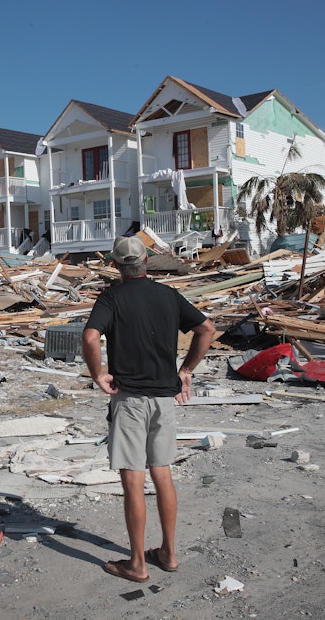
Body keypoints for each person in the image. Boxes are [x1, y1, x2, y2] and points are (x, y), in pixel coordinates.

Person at [82, 235, 215, 583]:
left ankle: (138, 563)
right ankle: (168, 553)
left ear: (115, 264)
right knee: (162, 472)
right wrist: (185, 371)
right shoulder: (167, 295)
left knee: (133, 481)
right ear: (147, 262)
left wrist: (98, 374)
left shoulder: (111, 297)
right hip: (163, 399)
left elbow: (90, 337)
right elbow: (207, 328)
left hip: (129, 400)